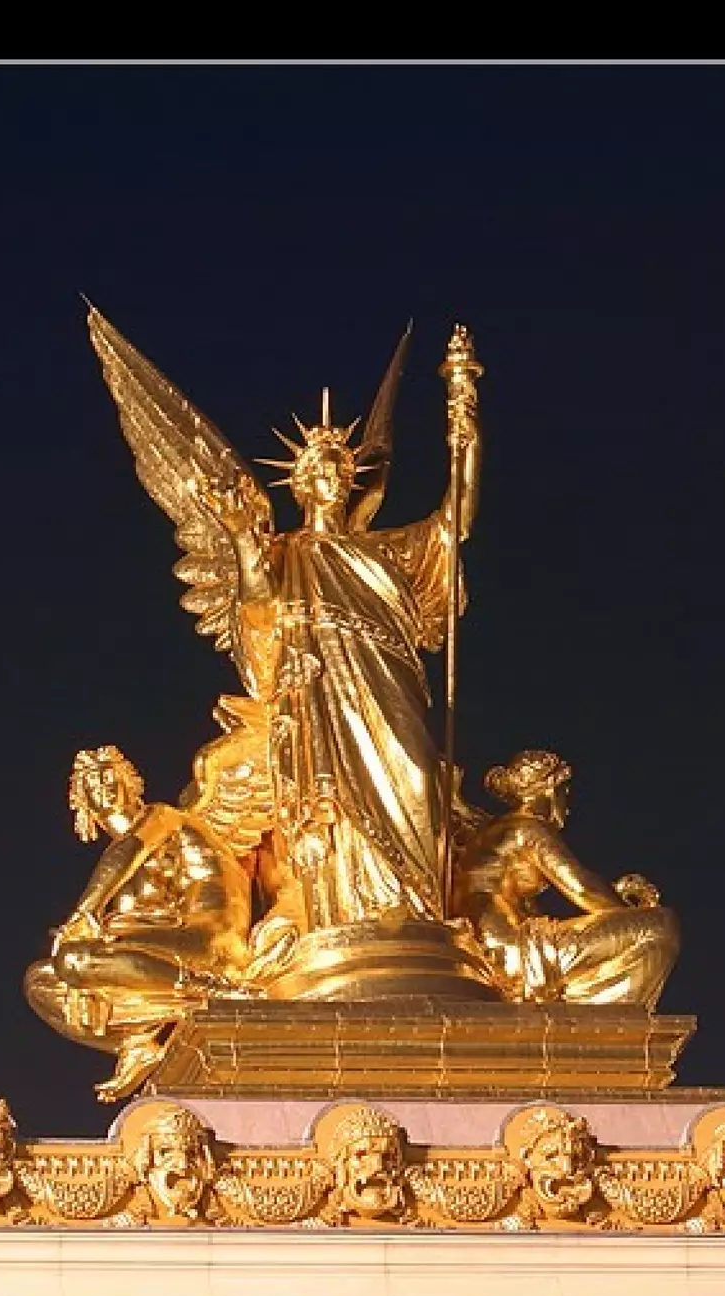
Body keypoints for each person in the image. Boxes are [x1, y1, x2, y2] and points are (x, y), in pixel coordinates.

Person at [88, 310, 485, 975]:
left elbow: (457, 520)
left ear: (351, 478)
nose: (329, 472)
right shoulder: (284, 553)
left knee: (418, 783)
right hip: (317, 700)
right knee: (336, 815)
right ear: (300, 482)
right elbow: (259, 629)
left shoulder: (388, 550)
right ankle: (342, 930)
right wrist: (245, 542)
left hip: (387, 684)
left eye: (339, 463)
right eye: (316, 465)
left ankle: (418, 920)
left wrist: (463, 419)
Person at [22, 706, 268, 1101]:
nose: (102, 786)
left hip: (209, 940)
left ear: (132, 782)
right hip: (170, 950)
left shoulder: (162, 818)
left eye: (109, 775)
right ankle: (139, 1037)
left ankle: (216, 992)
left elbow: (129, 849)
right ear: (81, 802)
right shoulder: (131, 880)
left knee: (74, 961)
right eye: (91, 783)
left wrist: (85, 914)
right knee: (41, 982)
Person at [450, 749, 679, 1006]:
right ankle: (611, 1013)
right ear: (549, 790)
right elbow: (582, 888)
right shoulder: (528, 827)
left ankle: (603, 1010)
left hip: (494, 947)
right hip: (514, 952)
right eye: (564, 793)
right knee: (660, 924)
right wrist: (630, 912)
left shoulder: (496, 830)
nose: (567, 807)